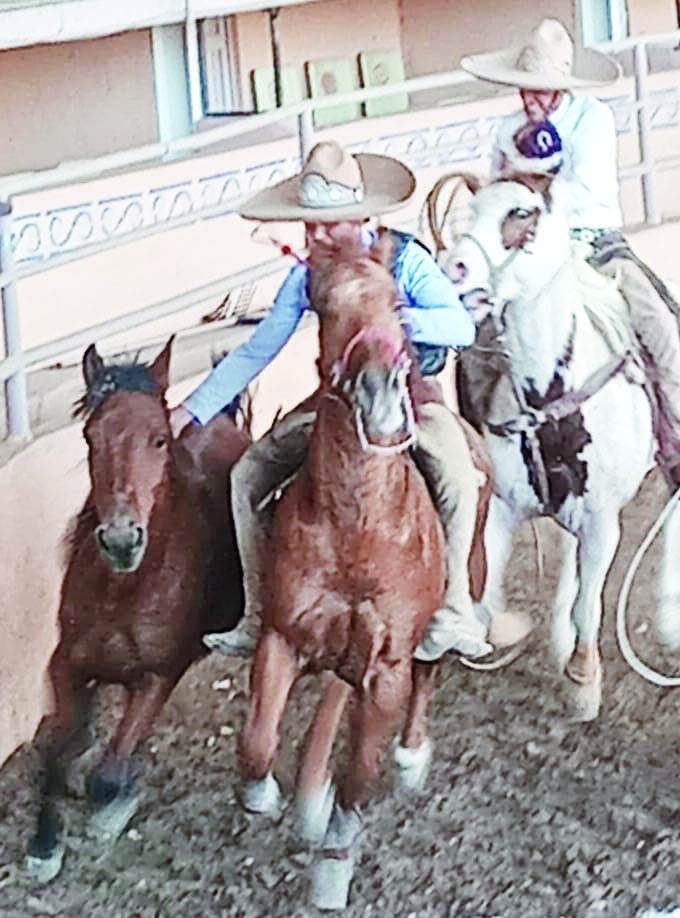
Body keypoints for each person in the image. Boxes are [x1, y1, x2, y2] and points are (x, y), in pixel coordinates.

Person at [174, 140, 495, 661]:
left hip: (410, 393)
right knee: (247, 473)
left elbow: (459, 323)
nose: (318, 235)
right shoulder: (307, 276)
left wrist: (394, 321)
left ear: (361, 217)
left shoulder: (405, 259)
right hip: (335, 402)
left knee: (459, 475)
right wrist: (192, 410)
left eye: (330, 224)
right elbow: (260, 347)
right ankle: (258, 614)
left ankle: (454, 606)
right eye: (310, 225)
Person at [461, 18, 680, 498]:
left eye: (541, 91)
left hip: (595, 245)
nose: (531, 99)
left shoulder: (594, 119)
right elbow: (496, 191)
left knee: (662, 321)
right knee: (473, 336)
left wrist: (531, 200)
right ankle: (478, 446)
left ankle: (679, 441)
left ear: (562, 88)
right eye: (526, 90)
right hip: (526, 252)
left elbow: (585, 190)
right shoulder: (506, 129)